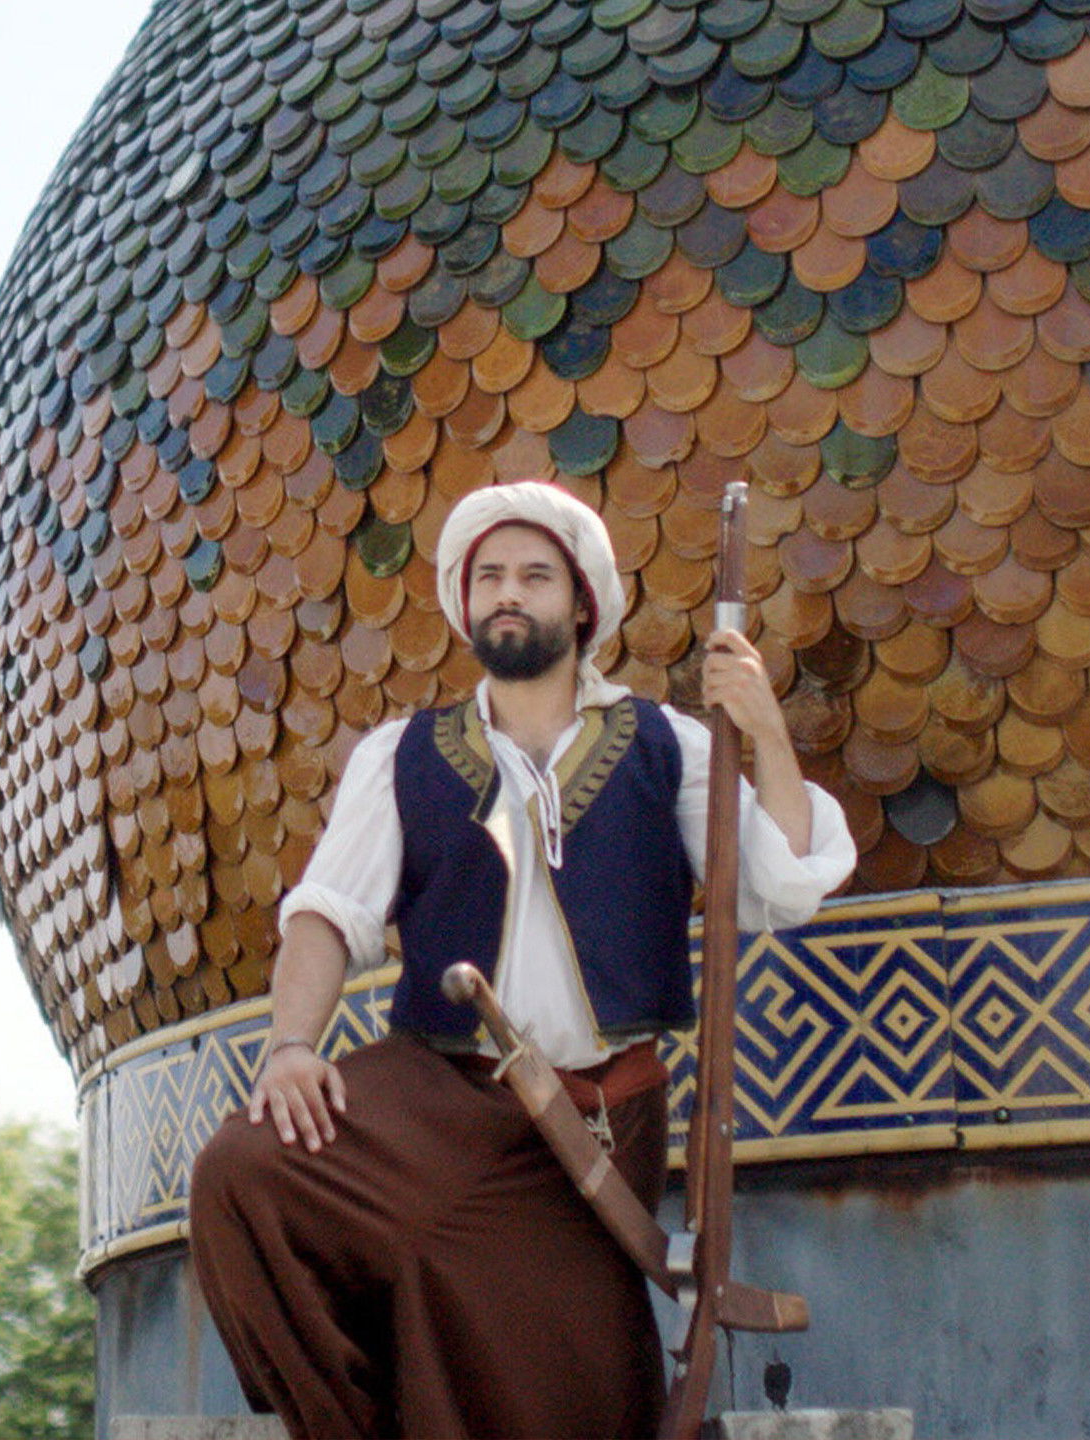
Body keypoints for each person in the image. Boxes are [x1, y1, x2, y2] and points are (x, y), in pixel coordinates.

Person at [187, 480, 856, 1439]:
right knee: (246, 1171)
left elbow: (779, 884)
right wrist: (291, 1045)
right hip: (436, 1099)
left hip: (594, 1123)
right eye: (490, 576)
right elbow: (327, 915)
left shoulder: (668, 745)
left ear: (581, 604)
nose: (509, 592)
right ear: (466, 606)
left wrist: (765, 732)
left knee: (577, 1402)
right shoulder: (402, 754)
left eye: (535, 576)